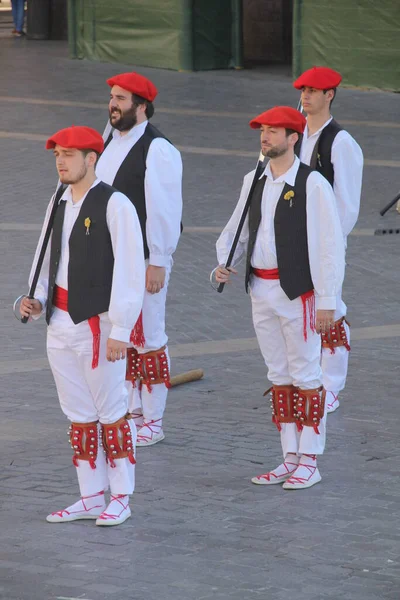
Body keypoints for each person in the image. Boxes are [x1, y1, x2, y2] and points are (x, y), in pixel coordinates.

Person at [20, 125, 145, 525]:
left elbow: (130, 271)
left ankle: (121, 495)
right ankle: (91, 495)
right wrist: (35, 297)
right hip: (60, 323)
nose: (60, 161)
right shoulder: (57, 200)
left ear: (91, 159)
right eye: (57, 154)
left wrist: (121, 331)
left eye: (68, 155)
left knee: (112, 411)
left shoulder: (115, 205)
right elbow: (45, 255)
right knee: (77, 413)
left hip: (99, 325)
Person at [214, 107, 345, 489]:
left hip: (297, 294)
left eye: (274, 131)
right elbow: (238, 226)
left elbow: (329, 246)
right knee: (279, 375)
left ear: (293, 138)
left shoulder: (312, 184)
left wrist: (327, 301)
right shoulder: (253, 180)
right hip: (260, 289)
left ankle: (310, 459)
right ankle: (289, 455)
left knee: (306, 374)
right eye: (263, 130)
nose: (265, 136)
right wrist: (224, 262)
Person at [96, 71, 183, 447]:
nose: (113, 104)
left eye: (121, 99)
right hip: (111, 257)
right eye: (112, 97)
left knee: (148, 337)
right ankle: (132, 409)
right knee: (124, 334)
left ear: (141, 106)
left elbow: (164, 208)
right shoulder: (106, 137)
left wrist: (159, 259)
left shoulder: (157, 148)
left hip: (145, 257)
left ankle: (153, 420)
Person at [293, 66, 363, 413]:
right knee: (302, 307)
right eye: (303, 90)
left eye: (313, 91)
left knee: (331, 309)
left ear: (329, 95)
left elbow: (346, 204)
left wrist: (329, 241)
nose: (305, 96)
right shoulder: (296, 134)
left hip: (325, 241)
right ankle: (309, 375)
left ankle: (332, 385)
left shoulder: (341, 142)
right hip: (295, 239)